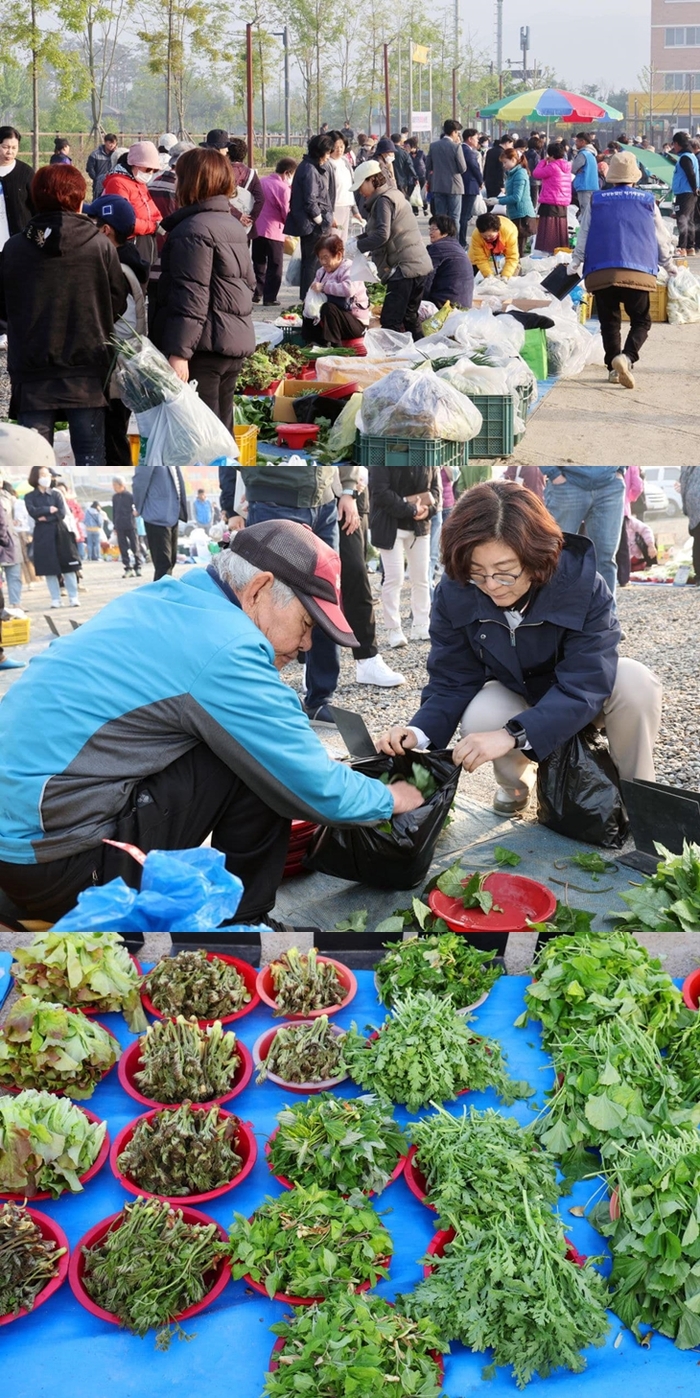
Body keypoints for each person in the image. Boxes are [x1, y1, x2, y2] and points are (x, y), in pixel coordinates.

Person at [0, 520, 425, 929]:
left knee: (246, 739)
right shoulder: (227, 645)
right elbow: (313, 787)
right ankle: (243, 921)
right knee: (261, 762)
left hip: (19, 850)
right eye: (308, 624)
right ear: (259, 589)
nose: (306, 646)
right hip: (65, 870)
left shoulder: (171, 596)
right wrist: (391, 799)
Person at [378, 479, 661, 816]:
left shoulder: (582, 584)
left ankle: (643, 801)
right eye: (477, 574)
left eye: (505, 573)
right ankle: (516, 786)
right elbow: (452, 678)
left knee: (636, 683)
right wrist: (417, 732)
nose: (492, 587)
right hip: (518, 691)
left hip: (582, 694)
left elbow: (587, 679)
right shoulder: (456, 592)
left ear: (536, 557)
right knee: (481, 715)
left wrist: (513, 734)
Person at [0, 163, 126, 466]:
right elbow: (117, 302)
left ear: (35, 197)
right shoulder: (99, 245)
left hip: (32, 369)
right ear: (79, 199)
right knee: (90, 458)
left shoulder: (15, 246)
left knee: (33, 464)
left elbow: (3, 306)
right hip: (87, 369)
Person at [151, 146, 255, 433]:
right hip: (229, 343)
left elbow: (191, 296)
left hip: (203, 348)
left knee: (202, 436)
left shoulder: (193, 230)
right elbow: (249, 283)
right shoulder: (232, 225)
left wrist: (179, 353)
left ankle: (214, 479)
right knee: (221, 434)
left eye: (180, 177)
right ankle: (227, 478)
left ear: (192, 183)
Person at [570, 151, 676, 390]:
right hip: (637, 271)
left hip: (602, 271)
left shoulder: (597, 200)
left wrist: (575, 263)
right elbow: (661, 238)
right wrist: (669, 265)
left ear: (611, 177)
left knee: (609, 322)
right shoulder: (648, 201)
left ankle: (612, 370)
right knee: (641, 320)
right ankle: (626, 357)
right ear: (634, 178)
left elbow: (583, 234)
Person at [84, 192, 148, 466]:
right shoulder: (129, 258)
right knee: (115, 435)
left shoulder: (116, 270)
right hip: (125, 368)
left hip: (115, 371)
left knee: (113, 440)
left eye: (92, 221)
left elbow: (103, 319)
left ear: (106, 230)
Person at [354, 162, 432, 337]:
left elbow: (382, 234)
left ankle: (395, 359)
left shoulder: (383, 201)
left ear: (372, 180)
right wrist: (359, 240)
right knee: (409, 317)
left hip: (404, 269)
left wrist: (358, 246)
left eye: (361, 185)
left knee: (391, 321)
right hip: (418, 265)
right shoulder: (393, 194)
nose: (359, 191)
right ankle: (422, 354)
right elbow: (380, 231)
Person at [368, 461, 439, 647]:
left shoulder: (429, 458)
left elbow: (435, 491)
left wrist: (427, 510)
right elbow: (380, 492)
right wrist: (411, 509)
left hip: (420, 526)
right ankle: (394, 628)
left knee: (422, 577)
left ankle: (422, 624)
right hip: (390, 525)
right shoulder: (383, 457)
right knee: (394, 578)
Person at [538, 466, 626, 597]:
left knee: (606, 556)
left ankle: (605, 615)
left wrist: (621, 469)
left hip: (609, 483)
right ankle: (552, 612)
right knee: (555, 554)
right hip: (567, 482)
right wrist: (553, 473)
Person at [284, 133, 335, 301]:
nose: (328, 157)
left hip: (311, 223)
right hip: (312, 225)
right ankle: (309, 297)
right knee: (312, 263)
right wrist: (320, 220)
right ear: (319, 152)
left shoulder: (310, 167)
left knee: (312, 262)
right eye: (327, 153)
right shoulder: (309, 169)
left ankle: (308, 296)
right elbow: (310, 200)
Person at [24, 463, 80, 607]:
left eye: (48, 475)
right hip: (42, 533)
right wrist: (48, 509)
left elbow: (61, 513)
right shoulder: (29, 496)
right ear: (36, 477)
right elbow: (33, 512)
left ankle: (73, 596)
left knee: (68, 566)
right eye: (43, 475)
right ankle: (55, 599)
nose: (46, 478)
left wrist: (45, 516)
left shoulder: (56, 494)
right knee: (49, 567)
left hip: (60, 531)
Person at [302, 233, 370, 346]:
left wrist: (324, 287)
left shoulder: (350, 268)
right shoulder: (321, 272)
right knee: (308, 306)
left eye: (326, 258)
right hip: (333, 320)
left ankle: (335, 346)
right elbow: (313, 291)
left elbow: (349, 289)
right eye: (320, 258)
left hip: (355, 323)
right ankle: (314, 342)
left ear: (338, 255)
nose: (323, 262)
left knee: (329, 308)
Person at [103, 140, 162, 268]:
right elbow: (125, 221)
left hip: (146, 245)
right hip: (130, 245)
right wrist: (152, 226)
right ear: (134, 164)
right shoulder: (117, 183)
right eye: (148, 169)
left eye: (154, 170)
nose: (150, 174)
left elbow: (152, 212)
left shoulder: (139, 183)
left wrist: (160, 222)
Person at [132, 456, 187, 581]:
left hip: (173, 515)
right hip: (156, 516)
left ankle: (164, 594)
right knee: (163, 565)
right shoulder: (153, 453)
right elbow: (139, 482)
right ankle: (161, 597)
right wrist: (140, 508)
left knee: (171, 562)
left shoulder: (172, 455)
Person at [252, 156, 296, 305]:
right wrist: (290, 227)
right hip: (274, 230)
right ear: (287, 172)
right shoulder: (283, 189)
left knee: (258, 262)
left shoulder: (262, 181)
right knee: (275, 265)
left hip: (258, 228)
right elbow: (285, 211)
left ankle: (257, 292)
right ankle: (270, 297)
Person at [532, 141, 573, 253]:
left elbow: (536, 174)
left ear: (551, 155)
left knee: (549, 233)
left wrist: (543, 161)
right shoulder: (567, 167)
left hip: (550, 201)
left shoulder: (553, 167)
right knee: (560, 231)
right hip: (562, 203)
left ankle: (548, 252)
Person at [425, 214, 474, 308]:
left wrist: (418, 301)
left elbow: (427, 278)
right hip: (463, 303)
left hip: (446, 304)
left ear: (446, 231)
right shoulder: (456, 245)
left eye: (434, 229)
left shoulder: (438, 248)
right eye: (430, 229)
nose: (430, 233)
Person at [425, 120, 466, 223]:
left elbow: (428, 165)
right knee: (455, 217)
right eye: (457, 133)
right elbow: (462, 168)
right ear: (454, 132)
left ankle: (441, 238)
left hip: (438, 185)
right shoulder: (456, 147)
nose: (458, 135)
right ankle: (454, 239)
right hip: (454, 186)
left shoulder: (433, 146)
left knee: (440, 216)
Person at [0, 126, 34, 250]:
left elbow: (36, 207)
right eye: (5, 147)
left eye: (14, 148)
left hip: (19, 243)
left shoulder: (25, 172)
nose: (10, 152)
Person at [499, 148, 536, 255]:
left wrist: (497, 201)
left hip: (522, 215)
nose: (504, 165)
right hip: (514, 213)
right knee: (514, 247)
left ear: (514, 160)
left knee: (518, 249)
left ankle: (517, 269)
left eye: (505, 162)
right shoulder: (512, 174)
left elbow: (516, 197)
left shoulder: (520, 173)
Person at [227, 137, 264, 240]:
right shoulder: (251, 173)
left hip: (226, 221)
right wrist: (251, 218)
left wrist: (237, 215)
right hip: (245, 227)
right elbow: (260, 199)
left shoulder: (222, 171)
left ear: (227, 152)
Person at [670, 131, 699, 258]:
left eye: (674, 144)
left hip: (685, 192)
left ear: (677, 143)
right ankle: (689, 247)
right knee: (690, 219)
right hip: (689, 192)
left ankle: (682, 247)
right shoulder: (691, 155)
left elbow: (690, 174)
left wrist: (693, 188)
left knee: (682, 219)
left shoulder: (685, 158)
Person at [468, 211, 520, 281]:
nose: (488, 238)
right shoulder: (476, 235)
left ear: (497, 230)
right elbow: (480, 259)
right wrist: (488, 275)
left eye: (490, 236)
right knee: (472, 272)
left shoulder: (509, 232)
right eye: (484, 236)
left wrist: (505, 275)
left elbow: (512, 257)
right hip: (483, 255)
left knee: (514, 269)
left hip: (504, 250)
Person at [327, 131, 358, 243]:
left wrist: (355, 210)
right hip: (335, 209)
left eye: (341, 146)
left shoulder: (345, 162)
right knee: (333, 241)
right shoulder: (327, 164)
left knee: (342, 240)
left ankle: (340, 261)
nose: (339, 150)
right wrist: (329, 215)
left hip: (346, 207)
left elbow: (351, 187)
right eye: (335, 147)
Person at [112, 475, 140, 578]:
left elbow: (137, 508)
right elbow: (114, 512)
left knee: (135, 546)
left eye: (115, 485)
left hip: (130, 525)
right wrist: (115, 526)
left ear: (122, 485)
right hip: (120, 526)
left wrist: (137, 512)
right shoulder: (114, 498)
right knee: (123, 548)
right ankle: (127, 567)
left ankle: (138, 566)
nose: (114, 487)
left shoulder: (130, 496)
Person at [459, 129, 483, 248]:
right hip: (469, 186)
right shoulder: (468, 152)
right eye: (476, 138)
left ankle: (460, 240)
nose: (477, 140)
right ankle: (462, 241)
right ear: (469, 138)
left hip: (462, 185)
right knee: (464, 215)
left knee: (461, 214)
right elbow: (475, 168)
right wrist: (481, 181)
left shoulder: (459, 149)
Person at [571, 132, 599, 219]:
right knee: (590, 210)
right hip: (592, 185)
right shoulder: (591, 154)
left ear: (583, 142)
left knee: (585, 212)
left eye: (577, 141)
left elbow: (573, 168)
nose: (576, 143)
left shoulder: (583, 154)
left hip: (584, 185)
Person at [680, 466, 700, 583]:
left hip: (693, 498)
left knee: (698, 538)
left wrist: (685, 506)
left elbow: (684, 480)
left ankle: (699, 576)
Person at [86, 133, 119, 197]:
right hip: (98, 184)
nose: (112, 145)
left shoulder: (116, 155)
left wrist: (116, 153)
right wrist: (96, 179)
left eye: (114, 143)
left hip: (112, 183)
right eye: (110, 143)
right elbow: (90, 168)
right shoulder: (95, 154)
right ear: (105, 142)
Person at [483, 135, 510, 204]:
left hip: (488, 181)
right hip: (497, 183)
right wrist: (502, 185)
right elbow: (501, 170)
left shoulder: (490, 151)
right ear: (507, 143)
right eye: (511, 145)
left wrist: (484, 179)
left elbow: (486, 166)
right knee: (497, 204)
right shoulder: (502, 153)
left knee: (489, 202)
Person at [389, 134, 418, 200]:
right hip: (402, 181)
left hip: (390, 181)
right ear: (400, 141)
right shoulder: (404, 153)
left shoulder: (388, 152)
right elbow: (410, 166)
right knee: (403, 200)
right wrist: (415, 177)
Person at [406, 137, 427, 211]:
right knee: (413, 193)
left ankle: (424, 208)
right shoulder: (407, 155)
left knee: (421, 193)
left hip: (422, 176)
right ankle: (415, 210)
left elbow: (426, 162)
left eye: (408, 146)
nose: (406, 148)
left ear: (413, 146)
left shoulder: (421, 153)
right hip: (412, 177)